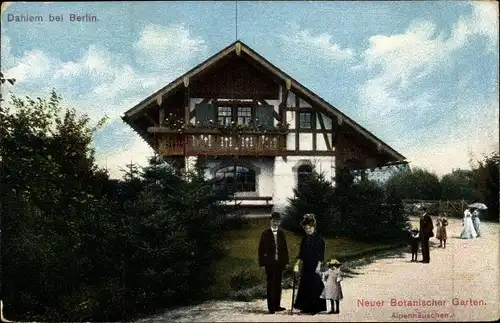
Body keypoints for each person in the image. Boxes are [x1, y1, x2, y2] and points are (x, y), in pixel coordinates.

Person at [293, 214, 327, 315]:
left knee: (315, 285)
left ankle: (316, 308)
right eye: (306, 228)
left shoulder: (319, 239)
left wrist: (318, 266)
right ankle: (306, 307)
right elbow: (301, 253)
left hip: (315, 264)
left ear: (313, 227)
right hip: (306, 265)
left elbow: (321, 255)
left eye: (309, 228)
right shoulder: (304, 239)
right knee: (305, 285)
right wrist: (297, 264)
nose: (308, 230)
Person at [258, 212, 290, 314]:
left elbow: (285, 248)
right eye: (274, 221)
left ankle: (277, 305)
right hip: (270, 263)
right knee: (271, 284)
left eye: (278, 221)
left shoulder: (281, 233)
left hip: (279, 263)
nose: (276, 223)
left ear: (280, 222)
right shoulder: (265, 234)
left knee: (278, 284)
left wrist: (286, 262)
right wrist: (262, 264)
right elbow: (261, 250)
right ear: (270, 221)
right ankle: (271, 307)